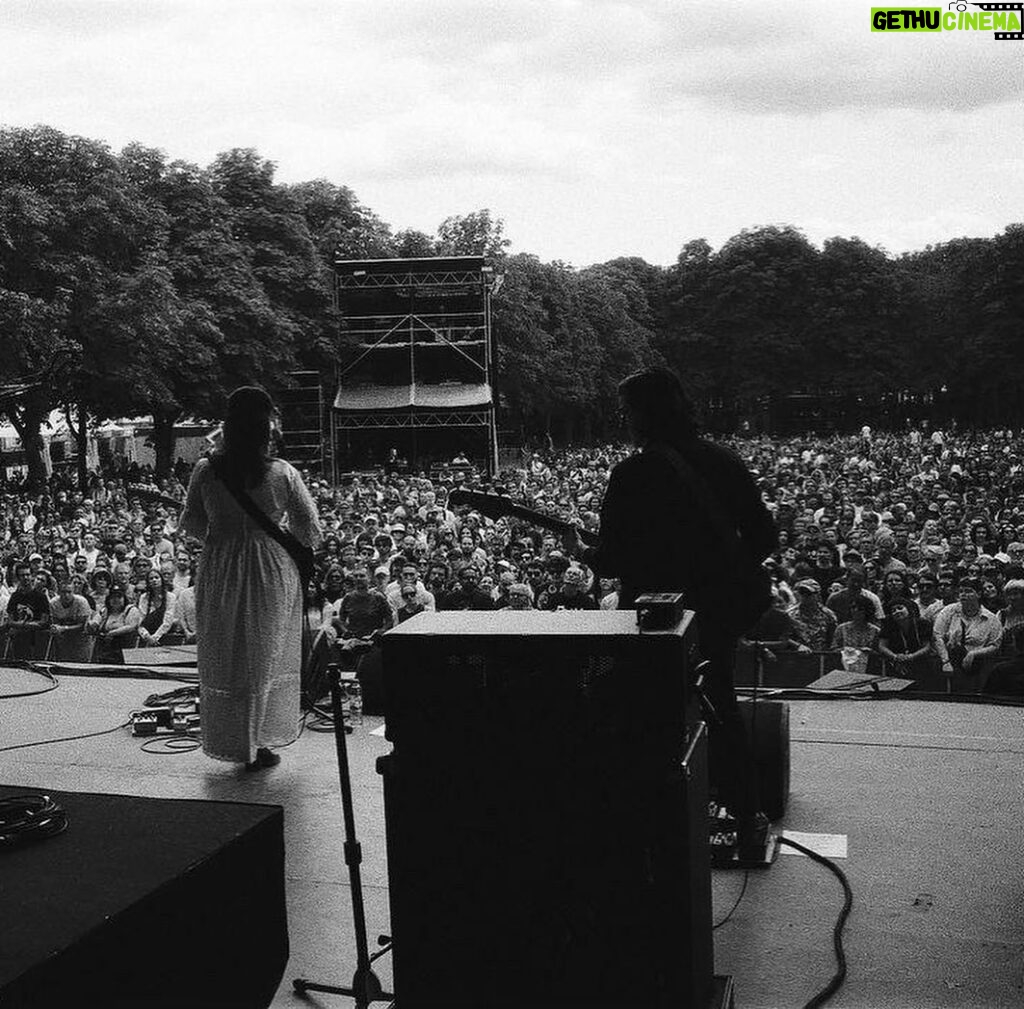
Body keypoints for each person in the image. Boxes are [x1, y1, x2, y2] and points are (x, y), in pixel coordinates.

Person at [562, 366, 777, 852]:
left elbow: (614, 559)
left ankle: (651, 818)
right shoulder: (723, 461)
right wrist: (716, 577)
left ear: (642, 414)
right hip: (718, 611)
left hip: (657, 619)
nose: (624, 420)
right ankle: (748, 816)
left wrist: (582, 550)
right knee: (719, 702)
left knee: (647, 713)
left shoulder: (634, 474)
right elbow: (764, 537)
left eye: (627, 411)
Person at [180, 387, 322, 771]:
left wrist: (222, 537)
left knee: (226, 652)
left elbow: (190, 522)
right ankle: (260, 741)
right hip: (271, 568)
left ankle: (231, 741)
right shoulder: (282, 473)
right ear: (265, 428)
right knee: (266, 652)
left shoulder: (206, 470)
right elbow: (310, 528)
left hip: (220, 564)